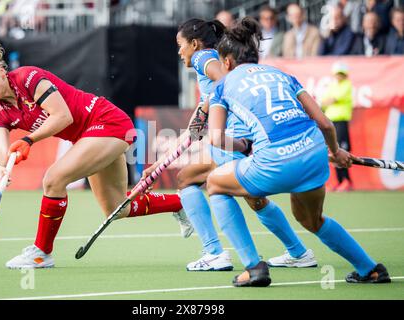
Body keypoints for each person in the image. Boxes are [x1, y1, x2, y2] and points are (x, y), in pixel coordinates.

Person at [0, 41, 193, 269]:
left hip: (108, 122)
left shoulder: (27, 78)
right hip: (87, 139)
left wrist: (28, 140)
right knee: (118, 208)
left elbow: (62, 117)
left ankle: (42, 253)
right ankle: (183, 203)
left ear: (2, 72)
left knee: (53, 179)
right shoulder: (0, 113)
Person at [205, 16, 391, 287]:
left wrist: (245, 145)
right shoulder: (283, 75)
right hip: (314, 153)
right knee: (311, 219)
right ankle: (369, 268)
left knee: (214, 184)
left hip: (273, 163)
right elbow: (325, 123)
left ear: (228, 62)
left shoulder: (222, 85)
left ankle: (254, 267)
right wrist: (336, 152)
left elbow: (216, 137)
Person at [143, 18, 317, 272]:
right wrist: (158, 164)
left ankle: (214, 252)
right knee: (254, 199)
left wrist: (212, 105)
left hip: (230, 137)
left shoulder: (204, 58)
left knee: (187, 180)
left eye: (181, 45)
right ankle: (299, 252)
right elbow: (195, 126)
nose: (179, 52)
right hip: (241, 136)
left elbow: (226, 81)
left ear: (194, 43)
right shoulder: (210, 67)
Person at [320, 61, 354, 191]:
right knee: (332, 152)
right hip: (331, 122)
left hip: (341, 122)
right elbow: (324, 101)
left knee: (341, 152)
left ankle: (346, 181)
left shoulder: (347, 85)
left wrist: (328, 101)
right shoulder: (333, 85)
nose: (339, 76)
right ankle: (339, 182)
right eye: (337, 74)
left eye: (342, 74)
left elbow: (331, 99)